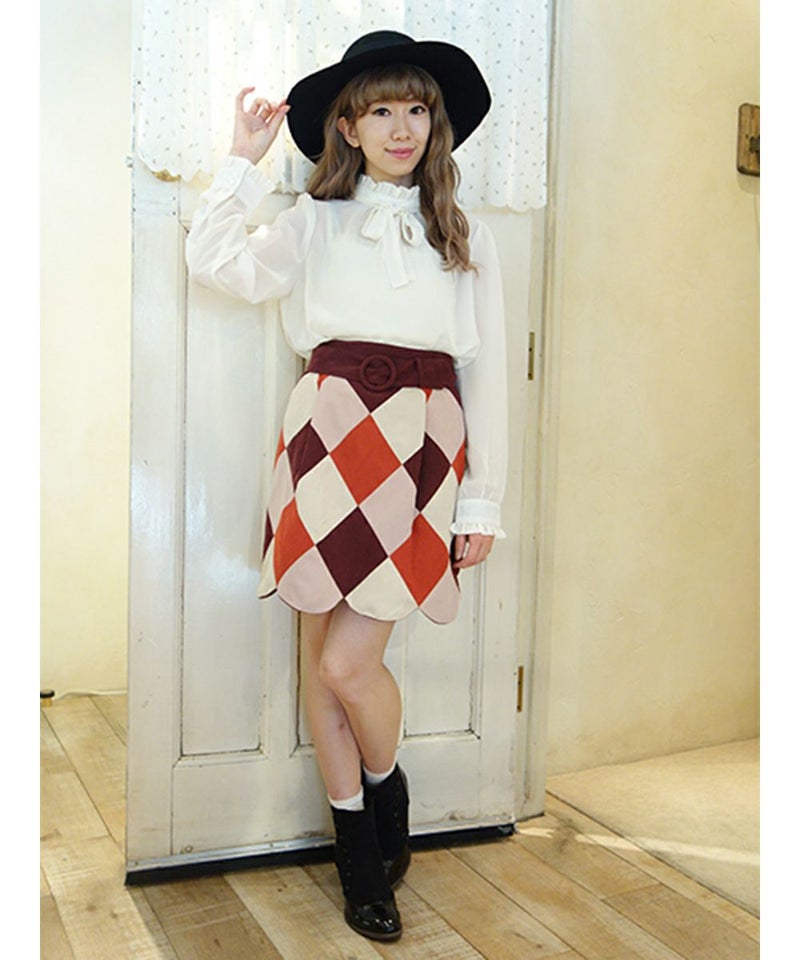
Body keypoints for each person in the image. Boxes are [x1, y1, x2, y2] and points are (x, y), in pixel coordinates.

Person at [186, 29, 507, 943]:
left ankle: (383, 780)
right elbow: (213, 262)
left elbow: (485, 378)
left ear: (435, 125)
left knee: (347, 665)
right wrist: (243, 162)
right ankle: (359, 853)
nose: (401, 128)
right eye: (381, 111)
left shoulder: (467, 235)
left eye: (418, 110)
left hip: (420, 451)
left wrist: (483, 501)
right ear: (349, 127)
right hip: (324, 441)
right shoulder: (313, 221)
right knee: (319, 663)